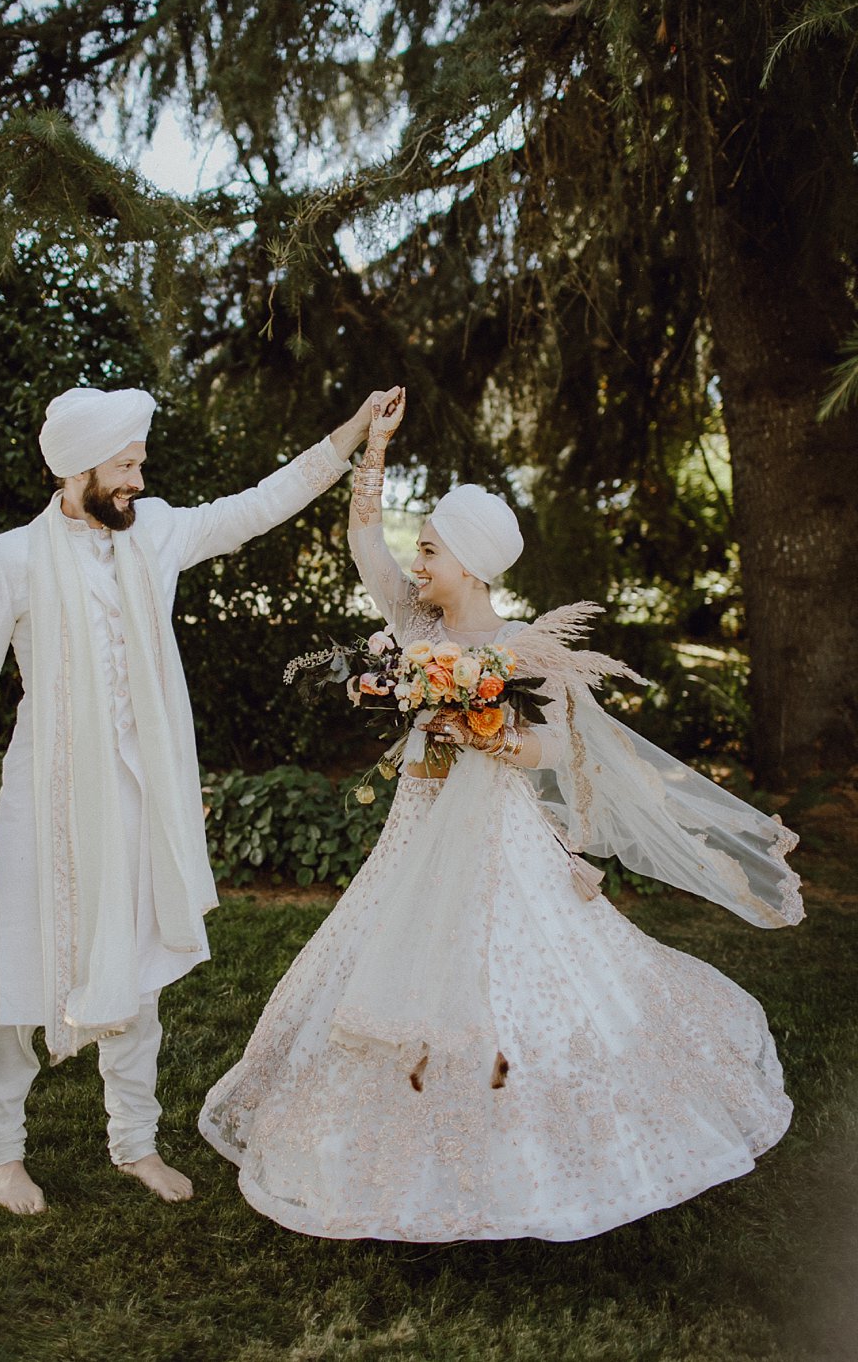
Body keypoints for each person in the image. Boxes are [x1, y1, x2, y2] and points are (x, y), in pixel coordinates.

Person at [198, 387, 802, 1242]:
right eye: (421, 548)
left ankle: (540, 1153)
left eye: (431, 550)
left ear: (472, 567)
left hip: (496, 842)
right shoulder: (411, 627)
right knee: (387, 973)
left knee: (519, 982)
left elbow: (562, 752)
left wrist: (490, 735)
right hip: (416, 834)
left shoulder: (523, 649)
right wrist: (372, 450)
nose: (416, 563)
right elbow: (361, 539)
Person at [0, 383, 387, 1214]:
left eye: (139, 460)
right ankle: (0, 1152)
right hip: (45, 799)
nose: (140, 474)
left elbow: (258, 507)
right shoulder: (11, 559)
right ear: (80, 466)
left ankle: (134, 1142)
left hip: (140, 797)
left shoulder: (158, 532)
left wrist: (349, 432)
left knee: (136, 977)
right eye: (127, 462)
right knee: (15, 975)